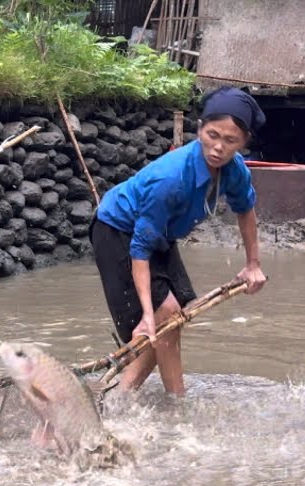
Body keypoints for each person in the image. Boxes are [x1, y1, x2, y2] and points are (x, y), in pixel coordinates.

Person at [91, 86, 267, 396]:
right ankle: (176, 402)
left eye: (230, 141)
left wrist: (253, 264)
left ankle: (122, 396)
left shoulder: (235, 170)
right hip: (117, 230)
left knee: (172, 319)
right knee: (162, 315)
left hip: (161, 234)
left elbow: (246, 210)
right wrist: (147, 314)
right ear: (199, 129)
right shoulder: (171, 178)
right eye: (212, 135)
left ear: (244, 142)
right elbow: (140, 250)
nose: (218, 147)